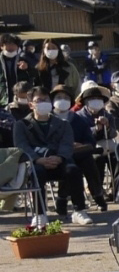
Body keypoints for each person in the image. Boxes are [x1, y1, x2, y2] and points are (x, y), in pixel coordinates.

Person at [11, 88, 91, 224]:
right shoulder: (21, 125)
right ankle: (40, 214)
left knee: (73, 170)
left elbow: (67, 144)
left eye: (46, 100)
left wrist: (59, 157)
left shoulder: (63, 124)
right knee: (36, 173)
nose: (44, 103)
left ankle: (79, 210)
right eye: (39, 100)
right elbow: (22, 146)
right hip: (37, 163)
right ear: (31, 104)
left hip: (59, 161)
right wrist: (38, 159)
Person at [70, 82, 111, 213]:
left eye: (99, 99)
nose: (96, 102)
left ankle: (114, 189)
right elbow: (84, 135)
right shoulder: (78, 116)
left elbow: (114, 133)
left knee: (116, 157)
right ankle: (97, 195)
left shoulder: (106, 114)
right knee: (94, 160)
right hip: (84, 150)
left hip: (106, 145)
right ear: (85, 101)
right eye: (92, 99)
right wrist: (96, 128)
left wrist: (107, 127)